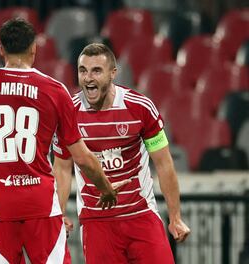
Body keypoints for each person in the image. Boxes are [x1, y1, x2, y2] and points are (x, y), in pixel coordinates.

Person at [0, 19, 117, 264]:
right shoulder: (54, 90)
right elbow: (81, 157)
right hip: (41, 208)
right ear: (34, 49)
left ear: (1, 50)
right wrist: (106, 188)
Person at [53, 43, 191, 264]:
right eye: (82, 70)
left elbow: (165, 164)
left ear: (113, 73)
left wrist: (175, 218)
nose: (88, 78)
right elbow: (61, 166)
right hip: (97, 221)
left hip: (140, 215)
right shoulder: (68, 112)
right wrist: (59, 212)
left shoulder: (141, 108)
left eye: (96, 70)